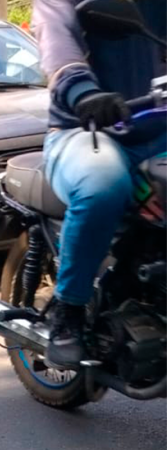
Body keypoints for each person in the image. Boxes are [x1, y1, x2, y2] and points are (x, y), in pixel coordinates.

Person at [34, 0, 167, 368]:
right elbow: (59, 46)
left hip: (161, 134)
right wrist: (84, 93)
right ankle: (69, 311)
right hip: (89, 128)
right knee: (102, 184)